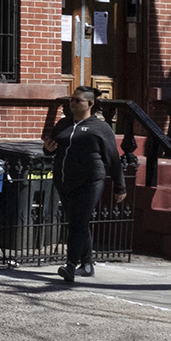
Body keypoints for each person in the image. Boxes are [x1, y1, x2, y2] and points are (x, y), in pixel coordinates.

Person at [41, 85, 119, 283]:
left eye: (78, 100)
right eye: (71, 100)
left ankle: (70, 265)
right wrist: (48, 149)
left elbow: (113, 158)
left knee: (77, 222)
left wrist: (120, 186)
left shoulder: (100, 128)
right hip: (65, 180)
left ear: (90, 104)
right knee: (79, 223)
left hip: (90, 180)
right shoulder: (63, 124)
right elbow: (52, 148)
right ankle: (87, 265)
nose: (72, 103)